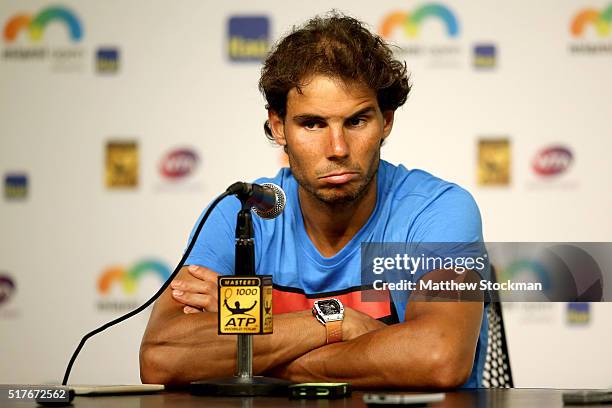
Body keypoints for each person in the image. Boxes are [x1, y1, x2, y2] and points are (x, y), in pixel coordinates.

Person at [140, 12, 488, 388]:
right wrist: (338, 320)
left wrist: (253, 357)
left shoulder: (437, 210)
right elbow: (163, 357)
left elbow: (438, 357)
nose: (337, 148)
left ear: (385, 121)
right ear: (278, 127)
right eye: (312, 124)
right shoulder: (243, 212)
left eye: (356, 121)